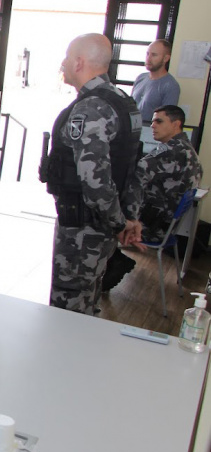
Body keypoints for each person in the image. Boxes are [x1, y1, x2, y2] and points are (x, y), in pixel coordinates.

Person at [40, 33, 141, 316]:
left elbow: (95, 180)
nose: (63, 64)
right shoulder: (124, 102)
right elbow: (134, 168)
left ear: (79, 62)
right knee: (89, 297)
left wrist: (119, 223)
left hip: (84, 227)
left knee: (69, 309)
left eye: (67, 57)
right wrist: (128, 217)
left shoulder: (90, 109)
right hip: (103, 226)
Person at [103, 105, 203, 290]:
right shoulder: (188, 150)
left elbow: (135, 177)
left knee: (101, 217)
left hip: (151, 226)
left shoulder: (169, 151)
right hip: (168, 227)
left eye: (159, 121)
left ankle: (112, 265)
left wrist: (129, 218)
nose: (153, 126)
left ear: (176, 124)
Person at [133, 39, 180, 123]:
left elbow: (166, 120)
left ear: (165, 58)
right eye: (147, 54)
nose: (148, 58)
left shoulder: (171, 86)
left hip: (150, 129)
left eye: (154, 55)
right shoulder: (140, 78)